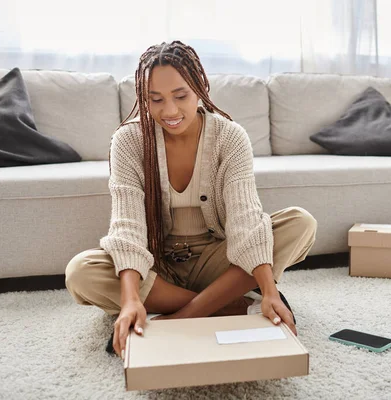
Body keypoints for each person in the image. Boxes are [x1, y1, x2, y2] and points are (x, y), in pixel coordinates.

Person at [64, 40, 317, 360]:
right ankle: (230, 302)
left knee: (299, 223)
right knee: (81, 272)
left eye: (180, 96)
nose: (169, 111)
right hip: (158, 265)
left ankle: (186, 314)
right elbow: (126, 227)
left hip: (218, 255)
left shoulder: (230, 136)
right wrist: (130, 299)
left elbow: (245, 218)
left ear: (199, 88)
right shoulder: (128, 140)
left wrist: (268, 291)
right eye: (155, 99)